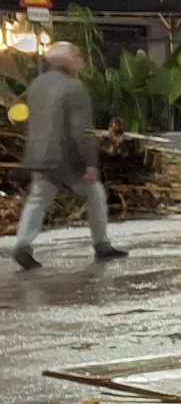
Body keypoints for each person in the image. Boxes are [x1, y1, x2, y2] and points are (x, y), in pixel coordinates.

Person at [11, 42, 124, 269]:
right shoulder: (74, 88)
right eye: (78, 56)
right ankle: (101, 243)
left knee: (38, 200)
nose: (80, 61)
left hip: (40, 155)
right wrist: (90, 163)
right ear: (69, 61)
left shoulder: (36, 85)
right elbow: (80, 129)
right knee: (95, 195)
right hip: (67, 157)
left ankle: (22, 244)